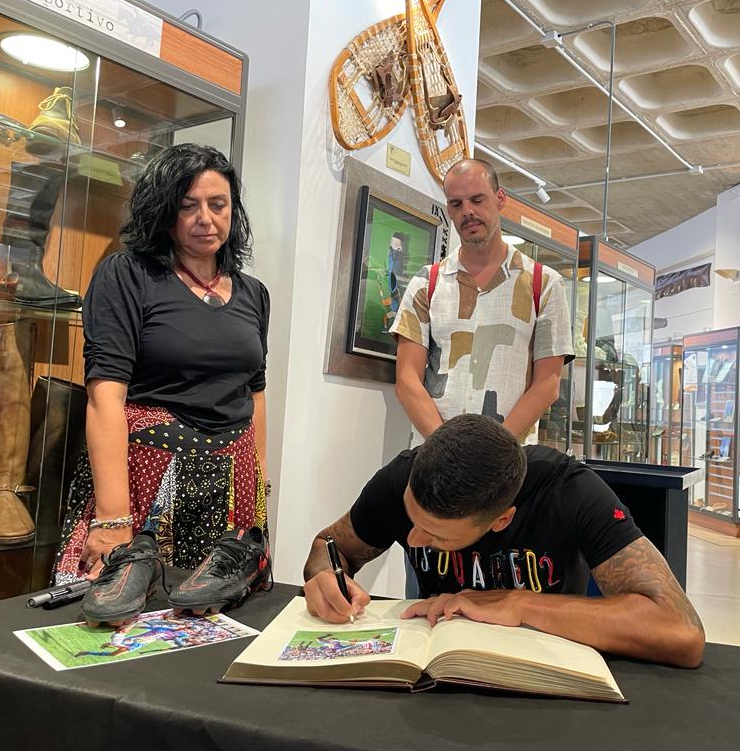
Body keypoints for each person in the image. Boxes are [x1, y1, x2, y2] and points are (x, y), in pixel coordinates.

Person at [52, 144, 272, 615]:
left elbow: (256, 394)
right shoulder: (128, 275)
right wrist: (113, 519)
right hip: (146, 480)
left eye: (218, 204)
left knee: (212, 631)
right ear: (164, 210)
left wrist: (259, 494)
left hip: (232, 485)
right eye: (187, 205)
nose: (204, 218)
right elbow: (104, 398)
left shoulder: (254, 293)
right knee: (119, 626)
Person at [302, 414, 705, 666]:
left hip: (544, 674)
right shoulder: (401, 478)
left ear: (501, 520)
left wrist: (519, 603)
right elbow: (329, 546)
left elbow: (680, 631)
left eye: (437, 534)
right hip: (437, 673)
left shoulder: (570, 491)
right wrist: (324, 575)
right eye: (411, 517)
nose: (412, 539)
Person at [389, 158, 573, 446]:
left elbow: (547, 385)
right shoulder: (426, 284)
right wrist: (447, 452)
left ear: (500, 199)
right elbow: (407, 380)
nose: (468, 212)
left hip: (508, 466)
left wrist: (492, 453)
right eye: (456, 204)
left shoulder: (545, 285)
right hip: (435, 465)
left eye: (477, 199)